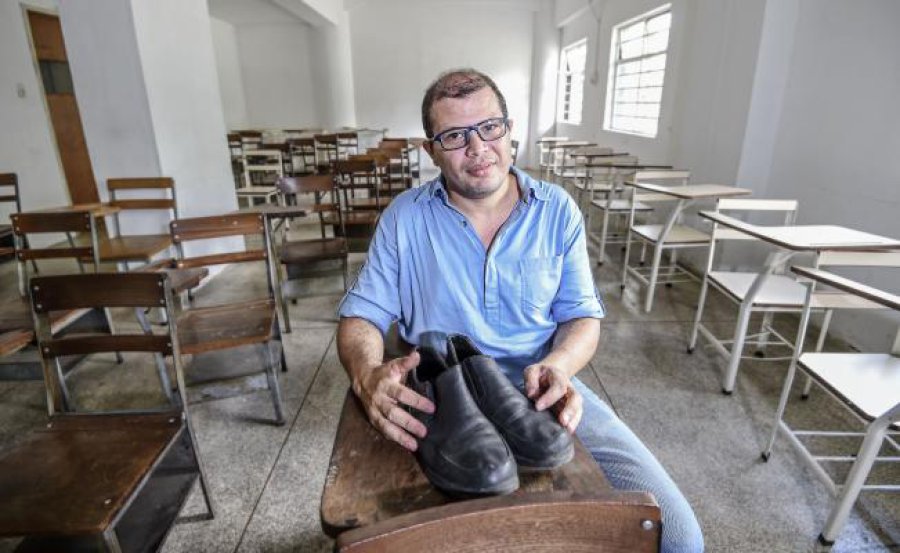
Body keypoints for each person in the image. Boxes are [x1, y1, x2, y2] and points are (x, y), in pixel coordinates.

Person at [336, 68, 703, 553]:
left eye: (489, 127)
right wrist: (365, 373)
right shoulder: (404, 217)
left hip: (536, 389)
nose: (478, 147)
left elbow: (581, 317)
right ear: (431, 150)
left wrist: (560, 366)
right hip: (444, 396)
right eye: (454, 136)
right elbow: (361, 316)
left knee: (678, 538)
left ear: (510, 130)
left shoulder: (557, 210)